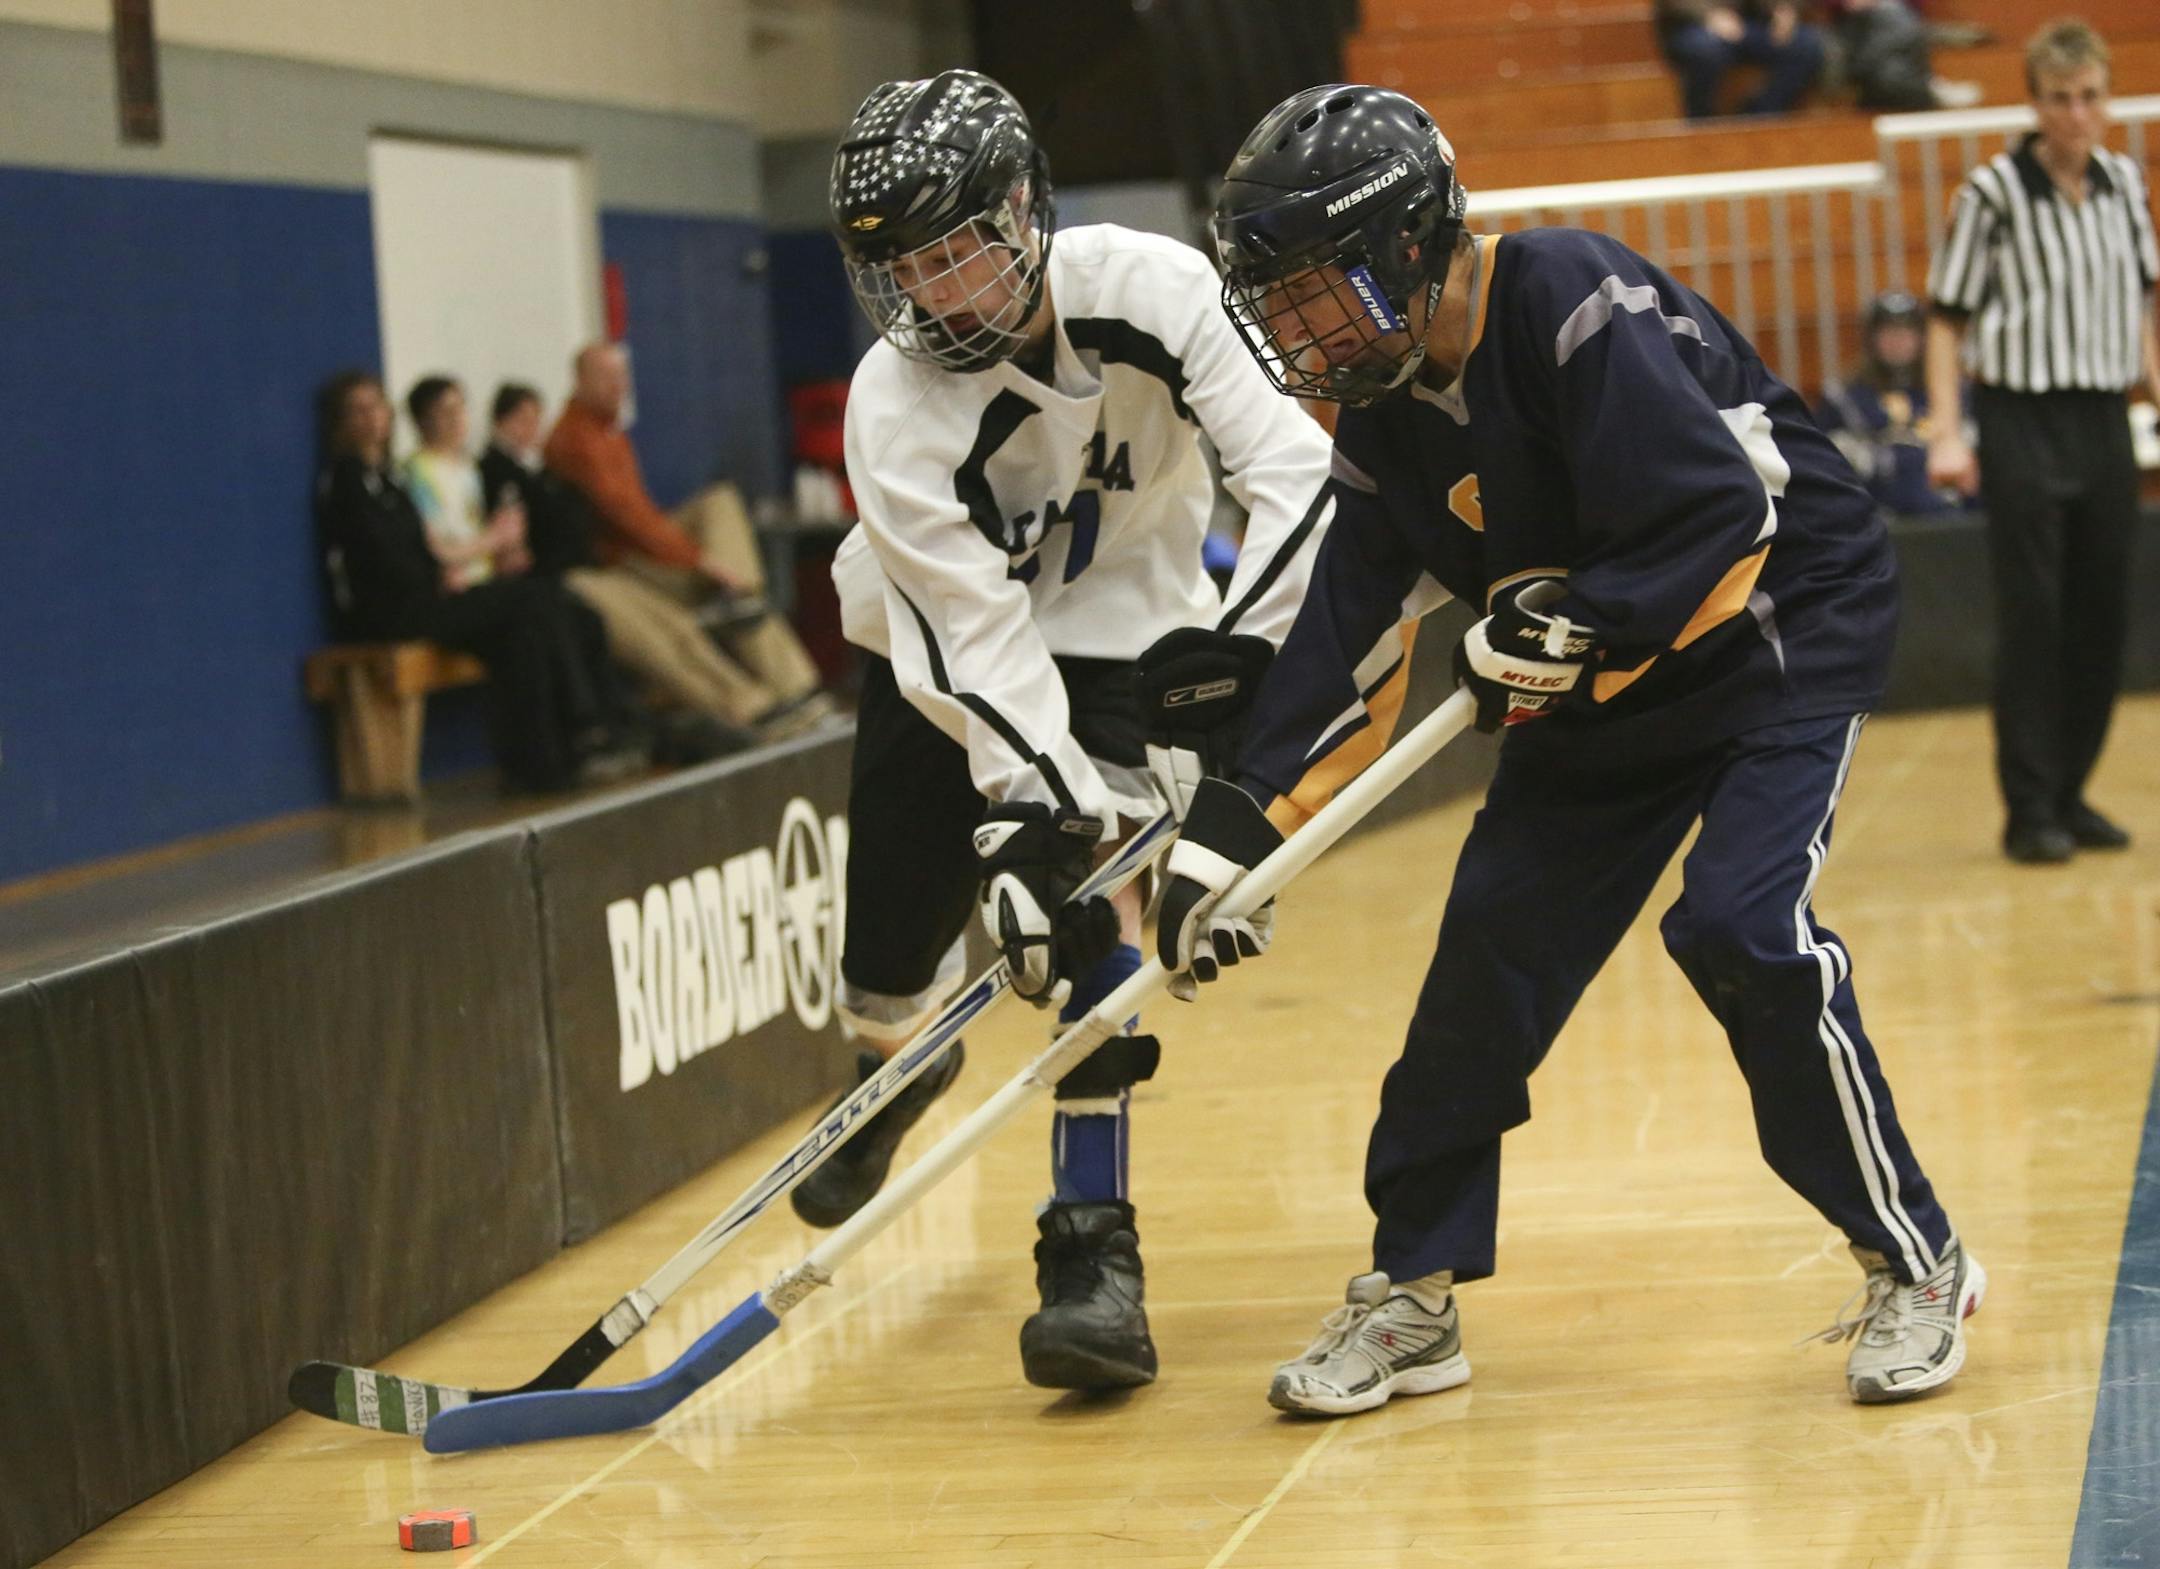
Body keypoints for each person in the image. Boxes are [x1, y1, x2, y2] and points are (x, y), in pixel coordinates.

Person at [1152, 84, 1978, 1418]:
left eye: (1322, 292)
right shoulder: (1382, 415)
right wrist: (1238, 825)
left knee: (1740, 926)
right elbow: (1346, 632)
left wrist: (1575, 618)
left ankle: (1916, 1258)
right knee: (1488, 952)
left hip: (1773, 628)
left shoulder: (1566, 293)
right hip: (1607, 676)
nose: (1300, 331)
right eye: (1281, 304)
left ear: (1413, 246)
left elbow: (1714, 511)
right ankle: (1413, 1293)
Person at [802, 70, 1334, 1392]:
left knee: (1089, 934)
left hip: (1135, 637)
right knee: (888, 960)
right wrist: (1028, 802)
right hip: (938, 651)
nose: (945, 297)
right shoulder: (892, 404)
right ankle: (896, 1062)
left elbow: (1294, 478)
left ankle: (1091, 1248)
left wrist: (1241, 709)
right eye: (911, 273)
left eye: (964, 254)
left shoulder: (1157, 290)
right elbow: (966, 635)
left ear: (1027, 210)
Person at [1924, 19, 2160, 865]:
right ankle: (2029, 807)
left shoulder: (2124, 183)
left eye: (2091, 97)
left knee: (2102, 610)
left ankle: (2071, 790)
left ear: (2106, 98)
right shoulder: (1990, 193)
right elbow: (1946, 321)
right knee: (2035, 615)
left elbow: (2142, 302)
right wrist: (1948, 431)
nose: (2077, 115)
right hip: (2021, 415)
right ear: (2034, 102)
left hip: (2103, 418)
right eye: (2060, 99)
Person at [312, 371, 625, 794]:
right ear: (340, 421)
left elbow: (421, 547)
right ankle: (586, 720)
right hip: (395, 613)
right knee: (533, 599)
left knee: (525, 631)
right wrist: (466, 557)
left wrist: (456, 565)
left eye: (377, 406)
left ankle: (543, 765)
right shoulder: (346, 482)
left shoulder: (387, 479)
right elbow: (380, 562)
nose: (371, 418)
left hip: (432, 594)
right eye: (358, 409)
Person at [544, 344, 836, 739]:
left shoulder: (611, 434)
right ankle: (753, 706)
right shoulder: (574, 439)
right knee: (675, 629)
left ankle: (793, 680)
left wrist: (713, 567)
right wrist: (699, 560)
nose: (619, 386)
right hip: (612, 572)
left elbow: (641, 517)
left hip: (645, 562)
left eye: (622, 376)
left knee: (720, 504)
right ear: (580, 382)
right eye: (607, 377)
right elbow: (627, 516)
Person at [1815, 292, 1974, 516]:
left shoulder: (1952, 391)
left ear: (1923, 337)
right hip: (1874, 511)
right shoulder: (1843, 396)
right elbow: (1823, 460)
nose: (1898, 342)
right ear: (1871, 338)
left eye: (1906, 332)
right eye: (1888, 333)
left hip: (1949, 508)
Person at [404, 376, 529, 587]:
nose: (457, 418)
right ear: (424, 419)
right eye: (446, 412)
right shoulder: (417, 472)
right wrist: (494, 538)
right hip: (454, 583)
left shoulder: (468, 467)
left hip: (485, 576)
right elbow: (437, 547)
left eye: (460, 408)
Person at [1655, 0, 1825, 120]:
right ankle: (1701, 120)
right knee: (1704, 49)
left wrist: (1784, 8)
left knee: (1806, 43)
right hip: (1694, 25)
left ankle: (1760, 114)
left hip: (1749, 25)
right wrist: (1709, 15)